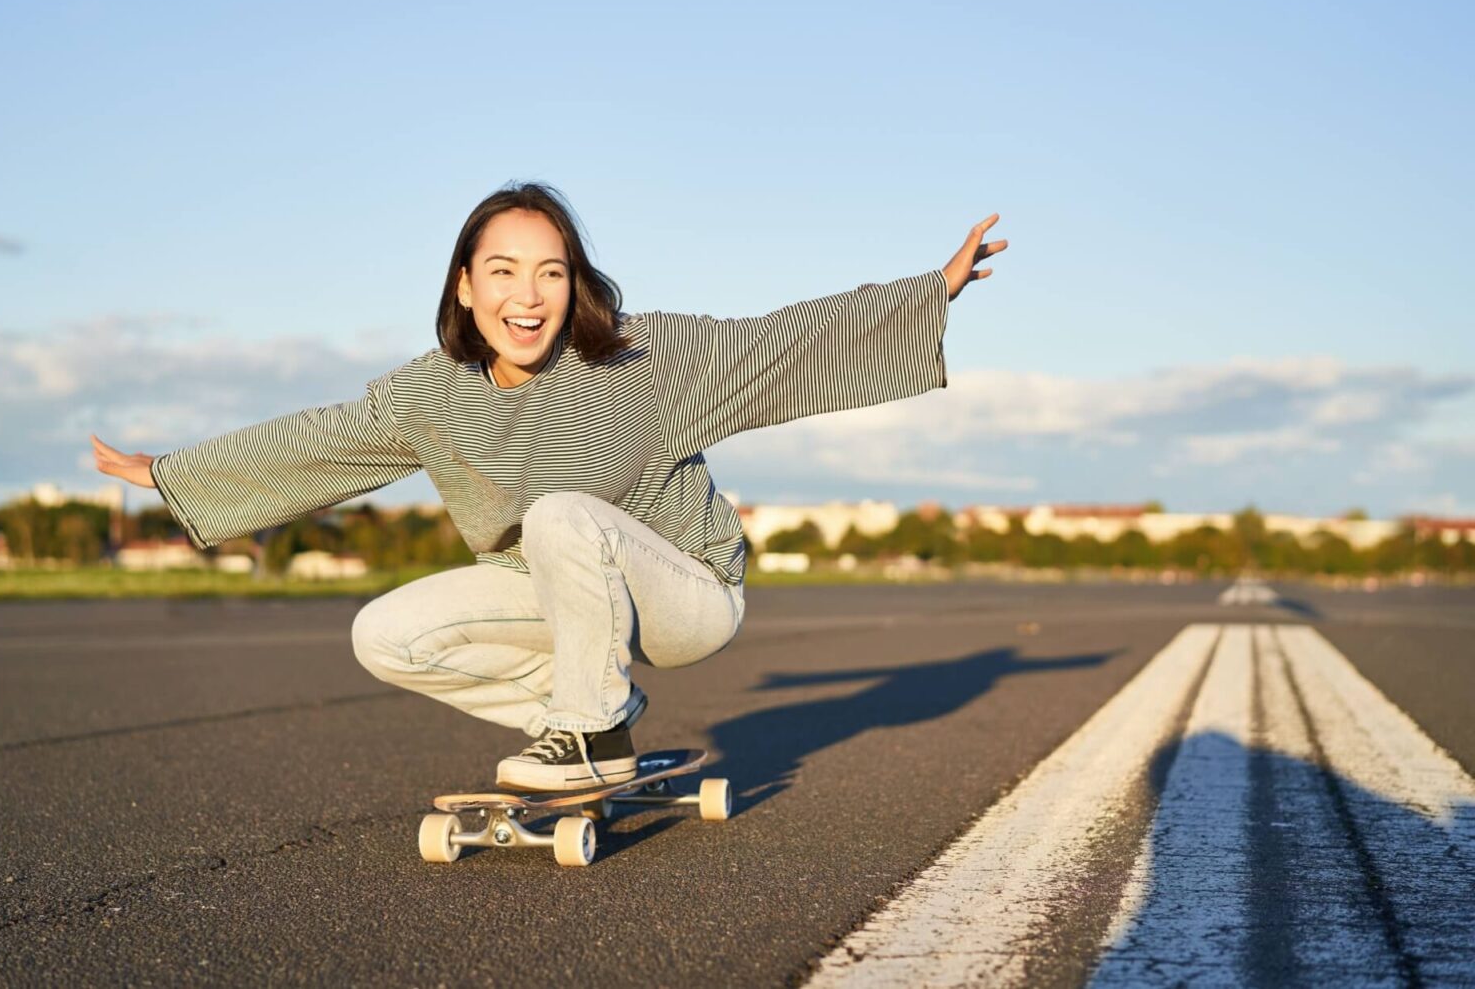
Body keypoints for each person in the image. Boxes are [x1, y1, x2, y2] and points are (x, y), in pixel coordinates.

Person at [90, 180, 1006, 791]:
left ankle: (593, 729)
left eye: (550, 273)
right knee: (385, 633)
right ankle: (587, 715)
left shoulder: (644, 359)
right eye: (502, 272)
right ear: (463, 286)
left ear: (574, 286)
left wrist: (932, 291)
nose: (527, 296)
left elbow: (782, 342)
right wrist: (173, 475)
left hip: (685, 592)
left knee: (566, 513)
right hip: (557, 598)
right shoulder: (430, 395)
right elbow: (323, 441)